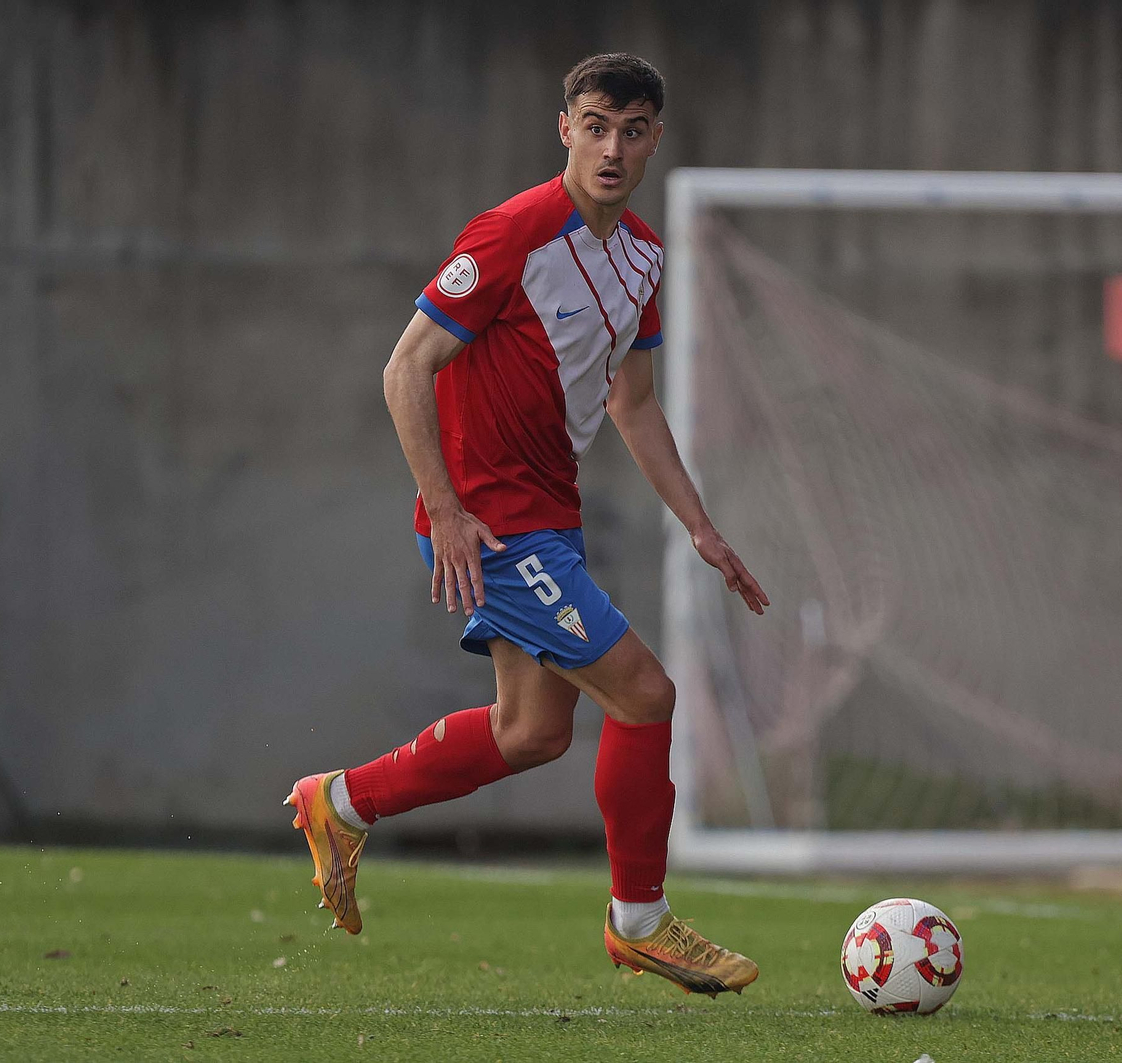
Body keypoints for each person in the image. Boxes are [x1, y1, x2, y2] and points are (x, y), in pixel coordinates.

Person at [286, 53, 768, 998]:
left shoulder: (641, 259)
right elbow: (404, 369)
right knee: (644, 693)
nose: (612, 148)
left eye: (632, 130)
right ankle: (641, 921)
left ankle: (339, 802)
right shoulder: (511, 231)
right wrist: (450, 511)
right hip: (495, 524)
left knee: (531, 732)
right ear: (565, 130)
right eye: (594, 125)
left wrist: (703, 529)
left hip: (550, 515)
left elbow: (633, 405)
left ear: (655, 140)